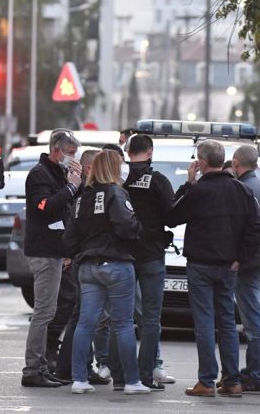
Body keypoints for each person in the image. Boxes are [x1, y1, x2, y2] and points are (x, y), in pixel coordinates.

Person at [167, 139, 260, 397]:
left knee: (204, 323)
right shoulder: (241, 190)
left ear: (201, 162)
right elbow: (258, 228)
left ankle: (207, 381)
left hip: (200, 265)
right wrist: (241, 257)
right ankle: (232, 380)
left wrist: (189, 183)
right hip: (228, 266)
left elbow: (171, 217)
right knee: (227, 323)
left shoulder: (198, 191)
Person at [64, 150, 149, 395]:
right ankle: (132, 381)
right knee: (122, 324)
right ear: (113, 168)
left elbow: (69, 238)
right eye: (120, 164)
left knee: (85, 322)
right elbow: (126, 226)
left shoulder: (82, 199)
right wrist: (138, 229)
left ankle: (79, 379)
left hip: (88, 267)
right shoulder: (116, 192)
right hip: (116, 265)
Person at [21, 130, 82, 388]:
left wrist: (74, 186)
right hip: (44, 251)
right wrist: (71, 187)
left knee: (49, 310)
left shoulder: (55, 173)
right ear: (56, 150)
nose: (72, 158)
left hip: (54, 250)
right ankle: (32, 369)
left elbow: (65, 208)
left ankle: (42, 366)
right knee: (44, 312)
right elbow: (44, 207)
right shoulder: (39, 174)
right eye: (69, 154)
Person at [119, 134, 175, 390]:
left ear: (128, 152)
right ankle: (145, 375)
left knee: (121, 318)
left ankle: (121, 376)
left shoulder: (118, 179)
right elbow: (173, 216)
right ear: (150, 152)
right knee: (151, 319)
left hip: (121, 255)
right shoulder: (158, 181)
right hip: (151, 254)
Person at [54, 149, 110, 385]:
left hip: (80, 260)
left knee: (81, 317)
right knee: (84, 318)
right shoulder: (87, 195)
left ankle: (72, 367)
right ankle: (76, 368)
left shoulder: (82, 194)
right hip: (86, 261)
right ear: (91, 168)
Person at [231, 145, 260, 394]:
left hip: (250, 262)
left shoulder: (245, 188)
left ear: (236, 162)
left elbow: (254, 229)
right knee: (255, 318)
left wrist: (240, 257)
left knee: (252, 322)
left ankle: (257, 374)